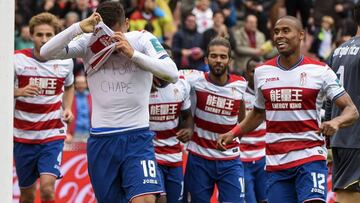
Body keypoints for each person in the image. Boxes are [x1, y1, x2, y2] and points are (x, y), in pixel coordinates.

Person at [40, 1, 179, 203]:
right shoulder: (87, 42)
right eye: (105, 34)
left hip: (137, 137)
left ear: (127, 25)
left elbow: (172, 73)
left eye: (116, 34)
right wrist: (79, 27)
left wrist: (133, 54)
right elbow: (45, 53)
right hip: (102, 140)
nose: (111, 41)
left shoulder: (142, 39)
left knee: (146, 200)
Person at [217, 16, 359, 203]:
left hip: (310, 158)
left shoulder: (320, 71)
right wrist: (234, 132)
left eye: (286, 31)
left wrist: (336, 121)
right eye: (276, 32)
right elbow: (259, 112)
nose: (279, 36)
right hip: (277, 163)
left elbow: (352, 110)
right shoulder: (262, 72)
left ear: (301, 35)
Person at [14, 12, 74, 203]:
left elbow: (70, 85)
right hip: (23, 136)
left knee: (48, 190)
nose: (44, 39)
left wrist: (68, 107)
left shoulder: (65, 61)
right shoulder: (17, 60)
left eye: (49, 35)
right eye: (39, 35)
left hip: (52, 135)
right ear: (31, 36)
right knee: (27, 196)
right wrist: (19, 92)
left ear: (56, 36)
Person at [183, 37, 247, 203]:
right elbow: (167, 76)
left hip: (230, 161)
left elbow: (243, 121)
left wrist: (234, 136)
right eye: (214, 56)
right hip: (199, 159)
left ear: (230, 60)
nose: (218, 60)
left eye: (223, 56)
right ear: (206, 59)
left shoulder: (240, 85)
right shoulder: (194, 80)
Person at [149, 44, 193, 203]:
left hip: (174, 155)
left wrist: (189, 129)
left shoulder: (181, 84)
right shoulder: (142, 85)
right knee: (161, 200)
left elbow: (187, 116)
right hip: (150, 154)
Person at [326, 3, 360, 202]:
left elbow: (329, 99)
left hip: (341, 137)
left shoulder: (338, 51)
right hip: (356, 138)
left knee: (345, 196)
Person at [240, 57, 267, 203]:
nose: (256, 75)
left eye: (259, 71)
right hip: (243, 158)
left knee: (265, 200)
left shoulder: (269, 92)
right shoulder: (239, 92)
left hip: (263, 157)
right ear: (246, 73)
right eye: (253, 71)